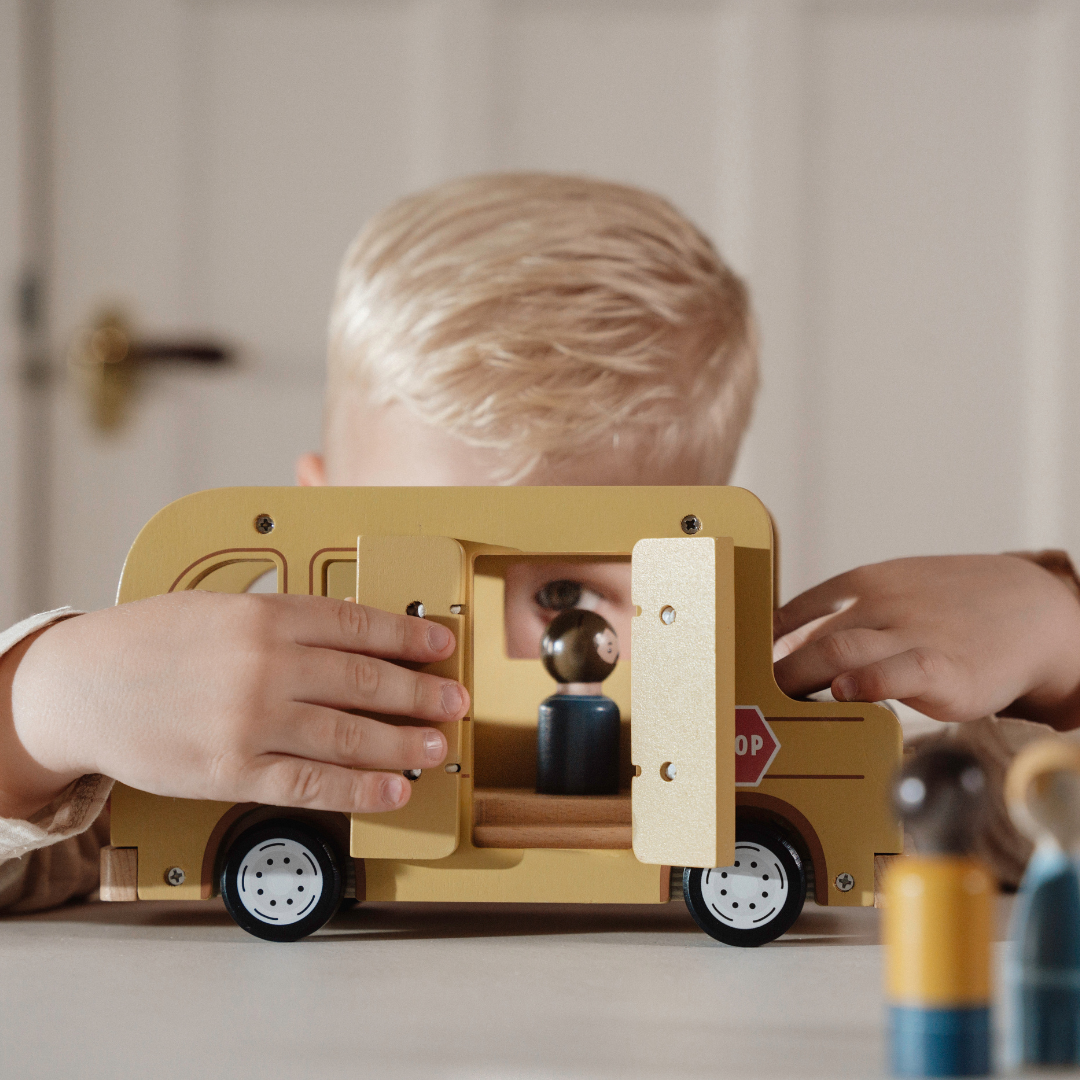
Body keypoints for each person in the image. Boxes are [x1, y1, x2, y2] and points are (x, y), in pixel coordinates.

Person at [1, 172, 1078, 912]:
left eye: (576, 592)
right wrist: (42, 712)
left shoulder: (829, 765)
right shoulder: (226, 755)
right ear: (319, 516)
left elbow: (1033, 821)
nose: (514, 644)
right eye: (432, 578)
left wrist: (1061, 640)